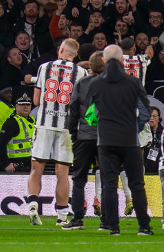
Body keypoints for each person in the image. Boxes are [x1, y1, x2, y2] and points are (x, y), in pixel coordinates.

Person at [74, 44, 153, 236]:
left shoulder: (95, 84)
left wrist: (103, 125)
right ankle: (143, 226)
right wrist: (135, 127)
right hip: (129, 139)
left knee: (109, 185)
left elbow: (91, 115)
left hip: (106, 141)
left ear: (104, 60)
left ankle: (113, 227)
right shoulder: (133, 82)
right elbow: (145, 111)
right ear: (122, 60)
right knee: (137, 184)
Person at [26, 38, 82, 226]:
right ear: (75, 54)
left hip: (44, 124)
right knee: (62, 173)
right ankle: (62, 216)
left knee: (36, 168)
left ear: (61, 50)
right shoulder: (80, 72)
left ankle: (33, 205)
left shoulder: (44, 67)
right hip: (66, 128)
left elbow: (36, 101)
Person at [63, 52, 103, 231]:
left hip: (84, 137)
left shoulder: (81, 83)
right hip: (106, 138)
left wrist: (73, 133)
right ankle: (107, 221)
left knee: (79, 179)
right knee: (108, 179)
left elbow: (73, 109)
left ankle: (77, 219)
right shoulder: (112, 83)